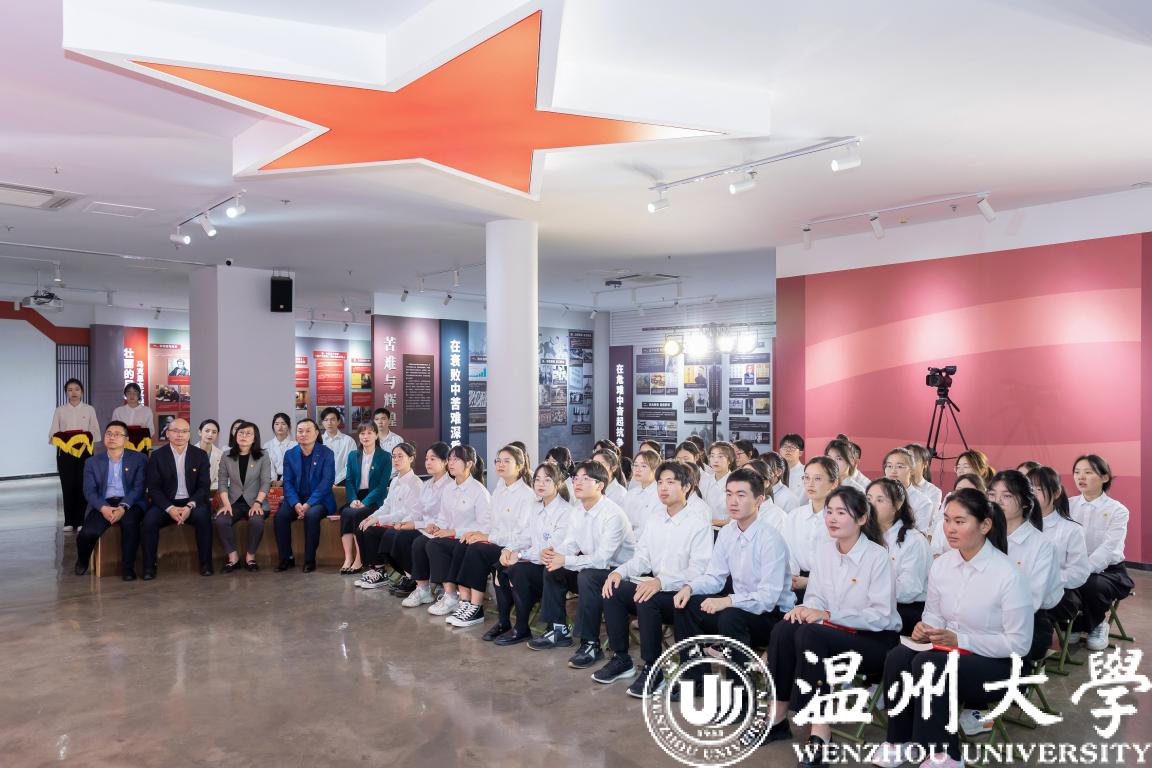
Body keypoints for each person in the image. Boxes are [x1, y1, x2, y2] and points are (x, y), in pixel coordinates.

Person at [874, 488, 1032, 768]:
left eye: (960, 522)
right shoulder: (943, 565)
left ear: (985, 525)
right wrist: (926, 629)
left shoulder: (1007, 574)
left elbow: (1019, 644)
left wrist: (961, 640)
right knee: (898, 656)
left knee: (930, 664)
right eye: (947, 520)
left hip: (998, 665)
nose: (950, 528)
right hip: (950, 653)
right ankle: (900, 740)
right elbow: (934, 613)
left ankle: (945, 754)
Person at [765, 486, 901, 759]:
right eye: (829, 512)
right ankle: (778, 716)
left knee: (811, 635)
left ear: (862, 519)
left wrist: (828, 616)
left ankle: (821, 729)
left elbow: (881, 616)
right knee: (785, 627)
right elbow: (815, 596)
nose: (832, 519)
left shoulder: (877, 557)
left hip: (874, 640)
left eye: (841, 513)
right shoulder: (825, 550)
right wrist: (805, 610)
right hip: (832, 632)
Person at [594, 460, 713, 696]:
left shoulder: (698, 523)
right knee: (614, 588)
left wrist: (661, 582)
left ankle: (653, 668)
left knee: (647, 598)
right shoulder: (656, 518)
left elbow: (699, 570)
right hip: (658, 588)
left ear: (687, 486)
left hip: (685, 593)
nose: (663, 488)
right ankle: (621, 658)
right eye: (660, 482)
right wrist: (619, 572)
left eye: (671, 482)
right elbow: (642, 559)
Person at [958, 469, 1060, 737]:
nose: (997, 501)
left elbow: (1033, 600)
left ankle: (979, 704)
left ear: (1025, 502)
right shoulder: (981, 533)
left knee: (979, 645)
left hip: (1028, 624)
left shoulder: (1041, 545)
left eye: (1006, 496)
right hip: (976, 615)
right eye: (992, 494)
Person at [673, 468, 794, 677]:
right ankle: (695, 679)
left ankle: (741, 690)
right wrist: (689, 587)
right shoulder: (727, 532)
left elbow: (768, 598)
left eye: (741, 495)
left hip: (773, 616)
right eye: (729, 494)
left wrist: (728, 601)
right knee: (687, 606)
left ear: (759, 500)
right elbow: (715, 577)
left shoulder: (770, 539)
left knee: (731, 617)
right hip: (741, 608)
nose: (733, 501)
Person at [528, 461, 636, 667]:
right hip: (592, 570)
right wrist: (555, 554)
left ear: (600, 485)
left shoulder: (612, 514)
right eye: (576, 478)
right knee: (553, 569)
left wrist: (565, 559)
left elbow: (602, 559)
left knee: (587, 576)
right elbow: (571, 543)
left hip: (619, 574)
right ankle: (558, 629)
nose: (577, 483)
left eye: (585, 479)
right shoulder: (578, 510)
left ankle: (591, 643)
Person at [449, 445, 536, 630]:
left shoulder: (526, 495)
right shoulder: (500, 489)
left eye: (506, 461)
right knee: (464, 543)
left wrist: (488, 536)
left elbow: (521, 534)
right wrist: (477, 533)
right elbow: (490, 521)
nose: (500, 464)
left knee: (477, 549)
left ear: (519, 466)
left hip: (514, 547)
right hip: (496, 541)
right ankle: (465, 602)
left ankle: (476, 607)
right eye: (498, 461)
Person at [403, 444, 490, 614]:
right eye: (450, 459)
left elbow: (484, 526)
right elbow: (443, 517)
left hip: (468, 538)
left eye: (456, 460)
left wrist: (454, 532)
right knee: (421, 542)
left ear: (469, 464)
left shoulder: (479, 491)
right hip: (451, 535)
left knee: (434, 545)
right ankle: (424, 589)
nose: (451, 463)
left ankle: (451, 596)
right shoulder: (449, 489)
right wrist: (437, 527)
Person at [499, 463, 574, 646]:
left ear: (558, 483)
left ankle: (557, 629)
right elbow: (525, 535)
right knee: (511, 568)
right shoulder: (536, 507)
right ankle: (520, 627)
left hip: (558, 568)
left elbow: (549, 550)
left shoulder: (566, 511)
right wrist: (509, 549)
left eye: (547, 480)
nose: (541, 484)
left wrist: (521, 554)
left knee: (521, 569)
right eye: (537, 480)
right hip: (539, 563)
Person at [1069, 454, 1134, 651]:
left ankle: (1096, 624)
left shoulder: (1118, 510)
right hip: (1074, 565)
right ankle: (1073, 624)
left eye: (1088, 472)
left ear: (1105, 478)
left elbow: (1108, 548)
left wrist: (1082, 570)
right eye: (1077, 472)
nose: (1081, 477)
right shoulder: (1068, 505)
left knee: (1091, 584)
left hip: (1109, 571)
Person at [74, 421, 147, 579]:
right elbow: (89, 491)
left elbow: (139, 488)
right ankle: (82, 560)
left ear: (126, 439)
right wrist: (103, 508)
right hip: (103, 502)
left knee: (130, 524)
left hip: (130, 502)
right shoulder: (92, 462)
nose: (112, 437)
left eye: (117, 434)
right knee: (88, 532)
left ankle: (128, 568)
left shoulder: (139, 459)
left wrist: (123, 507)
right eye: (109, 434)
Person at [141, 418, 213, 579]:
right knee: (149, 521)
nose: (180, 435)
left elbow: (204, 486)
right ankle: (149, 567)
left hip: (192, 501)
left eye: (184, 431)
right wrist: (170, 508)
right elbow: (153, 488)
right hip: (165, 503)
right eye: (175, 431)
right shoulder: (157, 456)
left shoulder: (200, 455)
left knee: (203, 517)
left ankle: (206, 564)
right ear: (167, 434)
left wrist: (189, 506)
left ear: (189, 434)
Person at [354, 442, 423, 588]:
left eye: (400, 456)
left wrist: (379, 520)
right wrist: (371, 517)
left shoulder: (416, 484)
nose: (396, 460)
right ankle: (377, 570)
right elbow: (387, 505)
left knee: (372, 531)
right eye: (394, 456)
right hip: (391, 522)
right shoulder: (395, 481)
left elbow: (406, 513)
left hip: (405, 524)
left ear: (411, 458)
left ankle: (402, 574)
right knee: (362, 528)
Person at [867, 478, 931, 633]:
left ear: (897, 504)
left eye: (880, 500)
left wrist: (869, 591)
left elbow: (909, 589)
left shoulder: (914, 540)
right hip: (872, 602)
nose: (871, 505)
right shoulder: (864, 535)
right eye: (868, 499)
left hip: (905, 609)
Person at [1027, 466, 1089, 628]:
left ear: (1056, 493)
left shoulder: (1071, 529)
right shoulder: (1018, 524)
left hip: (1061, 592)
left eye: (1039, 489)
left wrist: (1046, 579)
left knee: (1030, 612)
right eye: (1030, 490)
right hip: (1023, 588)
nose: (1032, 495)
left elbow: (1079, 573)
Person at [273, 418, 336, 573]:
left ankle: (309, 560)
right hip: (296, 500)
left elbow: (326, 483)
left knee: (312, 515)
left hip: (320, 500)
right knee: (280, 516)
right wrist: (296, 503)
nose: (303, 434)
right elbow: (288, 483)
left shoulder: (326, 453)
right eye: (300, 431)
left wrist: (308, 504)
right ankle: (286, 558)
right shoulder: (290, 454)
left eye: (308, 431)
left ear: (316, 433)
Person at [215, 421, 271, 573]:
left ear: (254, 438)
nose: (244, 436)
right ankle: (233, 558)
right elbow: (222, 482)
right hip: (233, 502)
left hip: (256, 502)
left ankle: (250, 558)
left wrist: (258, 503)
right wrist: (226, 504)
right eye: (240, 432)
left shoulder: (263, 455)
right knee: (221, 520)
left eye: (248, 433)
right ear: (235, 435)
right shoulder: (226, 455)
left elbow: (266, 482)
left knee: (256, 521)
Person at [337, 422, 392, 574]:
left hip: (374, 499)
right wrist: (353, 499)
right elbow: (349, 480)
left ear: (376, 435)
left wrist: (365, 502)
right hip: (356, 497)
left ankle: (359, 559)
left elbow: (382, 486)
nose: (365, 436)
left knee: (357, 514)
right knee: (346, 513)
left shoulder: (385, 456)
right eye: (362, 433)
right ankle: (348, 558)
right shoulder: (353, 455)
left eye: (369, 433)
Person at [780, 456, 837, 599]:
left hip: (831, 586)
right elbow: (788, 550)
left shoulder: (840, 519)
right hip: (795, 582)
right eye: (806, 478)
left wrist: (810, 581)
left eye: (817, 478)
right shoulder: (795, 515)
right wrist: (792, 576)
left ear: (834, 483)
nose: (810, 484)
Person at [49, 378, 100, 531]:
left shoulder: (89, 409)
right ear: (66, 392)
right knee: (67, 485)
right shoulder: (60, 410)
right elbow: (53, 432)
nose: (74, 393)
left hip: (85, 452)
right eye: (70, 390)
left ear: (82, 391)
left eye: (77, 389)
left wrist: (84, 436)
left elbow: (95, 431)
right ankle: (69, 521)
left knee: (83, 485)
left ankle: (82, 521)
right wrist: (66, 438)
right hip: (65, 453)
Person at [928, 473, 987, 556]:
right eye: (958, 491)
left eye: (969, 492)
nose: (962, 496)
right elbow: (935, 555)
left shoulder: (985, 525)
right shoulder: (942, 525)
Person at [882, 447, 934, 533]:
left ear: (912, 470)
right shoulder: (875, 494)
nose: (893, 471)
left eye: (899, 466)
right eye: (889, 466)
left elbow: (920, 536)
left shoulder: (923, 502)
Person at [622, 447, 662, 536]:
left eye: (643, 466)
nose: (638, 469)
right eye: (635, 465)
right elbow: (623, 522)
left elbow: (651, 528)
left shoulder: (660, 495)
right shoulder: (630, 494)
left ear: (655, 469)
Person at [745, 458, 787, 530]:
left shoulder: (779, 517)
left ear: (766, 482)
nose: (744, 482)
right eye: (741, 477)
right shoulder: (739, 511)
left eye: (752, 477)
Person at [111, 382, 153, 453]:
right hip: (122, 444)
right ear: (125, 394)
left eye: (135, 392)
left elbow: (151, 430)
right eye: (129, 392)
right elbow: (113, 429)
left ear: (139, 394)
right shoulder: (118, 411)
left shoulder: (147, 411)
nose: (132, 395)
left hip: (141, 445)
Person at [318, 408, 355, 486]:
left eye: (332, 419)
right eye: (326, 420)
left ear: (338, 421)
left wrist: (336, 481)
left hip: (343, 483)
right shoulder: (317, 441)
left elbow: (352, 465)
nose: (329, 423)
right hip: (320, 484)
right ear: (322, 422)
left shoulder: (348, 441)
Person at [703, 441, 736, 526]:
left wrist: (718, 522)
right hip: (705, 528)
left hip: (727, 529)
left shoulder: (736, 482)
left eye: (720, 456)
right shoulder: (704, 481)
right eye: (712, 456)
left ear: (729, 460)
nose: (715, 460)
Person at [904, 443, 943, 512]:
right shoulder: (895, 486)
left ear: (925, 463)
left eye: (915, 460)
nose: (910, 464)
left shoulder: (934, 491)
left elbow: (930, 517)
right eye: (907, 460)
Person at [262, 412, 296, 483]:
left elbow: (294, 466)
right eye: (277, 424)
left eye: (283, 424)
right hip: (271, 481)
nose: (280, 427)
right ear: (273, 426)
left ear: (288, 426)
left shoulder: (295, 445)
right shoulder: (267, 445)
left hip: (291, 480)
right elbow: (267, 466)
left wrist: (282, 480)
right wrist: (273, 480)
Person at [195, 419, 224, 493]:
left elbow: (221, 479)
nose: (210, 434)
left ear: (217, 435)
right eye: (207, 431)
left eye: (214, 432)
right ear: (200, 432)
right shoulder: (189, 452)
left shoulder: (221, 454)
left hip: (212, 494)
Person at [777, 433, 805, 498]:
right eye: (785, 447)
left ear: (800, 453)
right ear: (780, 451)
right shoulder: (775, 472)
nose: (788, 450)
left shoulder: (806, 472)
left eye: (792, 447)